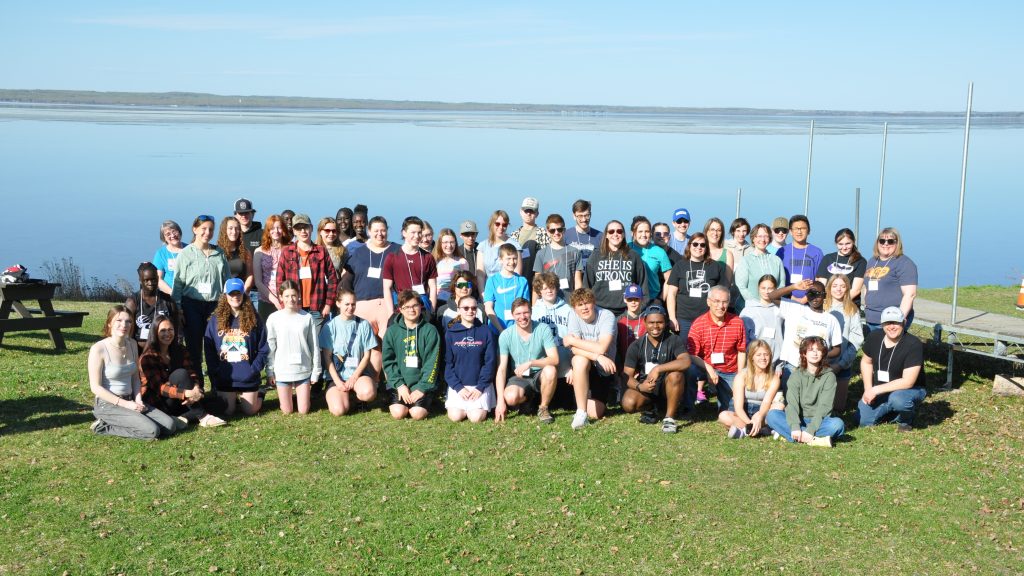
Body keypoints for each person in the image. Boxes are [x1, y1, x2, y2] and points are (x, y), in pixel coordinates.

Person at [88, 305, 177, 439]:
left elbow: (135, 377)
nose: (124, 325)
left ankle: (137, 420)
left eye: (128, 321)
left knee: (170, 426)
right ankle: (102, 425)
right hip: (108, 404)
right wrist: (125, 404)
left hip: (130, 399)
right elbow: (95, 387)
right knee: (152, 431)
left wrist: (138, 399)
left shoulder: (132, 344)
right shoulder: (98, 349)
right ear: (109, 323)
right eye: (119, 320)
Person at [139, 316, 226, 428]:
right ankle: (203, 417)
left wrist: (196, 388)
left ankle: (181, 418)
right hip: (160, 402)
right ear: (155, 333)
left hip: (181, 400)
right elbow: (160, 388)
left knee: (221, 404)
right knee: (180, 374)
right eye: (163, 330)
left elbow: (191, 372)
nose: (167, 334)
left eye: (170, 329)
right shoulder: (148, 357)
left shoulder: (180, 349)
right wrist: (187, 393)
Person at [171, 214, 230, 376]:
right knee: (194, 348)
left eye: (211, 229)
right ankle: (197, 385)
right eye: (203, 228)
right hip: (191, 305)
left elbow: (227, 280)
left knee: (216, 346)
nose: (207, 233)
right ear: (195, 229)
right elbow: (178, 283)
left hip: (215, 306)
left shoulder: (219, 253)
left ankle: (218, 386)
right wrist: (178, 309)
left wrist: (227, 306)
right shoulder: (186, 253)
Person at [204, 278, 269, 416]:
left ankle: (260, 393)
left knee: (249, 410)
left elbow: (263, 348)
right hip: (226, 377)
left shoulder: (254, 318)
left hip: (248, 376)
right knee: (227, 411)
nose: (235, 297)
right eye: (231, 294)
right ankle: (233, 398)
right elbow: (209, 349)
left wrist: (254, 369)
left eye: (238, 293)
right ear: (225, 296)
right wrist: (216, 370)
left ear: (243, 294)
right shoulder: (215, 320)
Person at [855, 306, 927, 431]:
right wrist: (868, 389)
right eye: (888, 323)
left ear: (904, 322)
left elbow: (908, 381)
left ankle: (906, 419)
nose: (891, 327)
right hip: (881, 390)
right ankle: (895, 412)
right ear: (882, 324)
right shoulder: (874, 336)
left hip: (909, 389)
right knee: (862, 421)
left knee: (898, 400)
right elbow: (866, 362)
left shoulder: (913, 344)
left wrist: (875, 390)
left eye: (896, 322)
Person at [621, 305, 690, 433]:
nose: (655, 326)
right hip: (647, 387)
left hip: (668, 387)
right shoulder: (636, 345)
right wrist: (640, 387)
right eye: (651, 322)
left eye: (660, 322)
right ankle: (651, 408)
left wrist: (658, 369)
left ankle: (669, 418)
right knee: (628, 403)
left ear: (666, 322)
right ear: (645, 322)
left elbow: (686, 361)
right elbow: (626, 376)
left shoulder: (674, 340)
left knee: (676, 375)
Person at [765, 336, 845, 447]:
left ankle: (791, 435)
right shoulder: (796, 376)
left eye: (818, 350)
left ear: (823, 353)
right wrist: (795, 426)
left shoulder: (829, 376)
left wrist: (811, 429)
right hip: (798, 418)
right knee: (772, 415)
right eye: (811, 350)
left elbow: (825, 407)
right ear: (804, 354)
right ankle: (813, 440)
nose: (815, 353)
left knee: (838, 425)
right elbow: (792, 404)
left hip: (820, 421)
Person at [496, 298, 560, 424]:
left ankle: (543, 408)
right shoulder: (505, 335)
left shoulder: (543, 329)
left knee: (551, 370)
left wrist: (531, 363)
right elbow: (501, 369)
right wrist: (500, 401)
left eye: (525, 312)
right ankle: (529, 401)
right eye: (518, 314)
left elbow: (555, 359)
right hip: (519, 377)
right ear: (512, 315)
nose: (522, 317)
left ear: (531, 312)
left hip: (539, 374)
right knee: (510, 398)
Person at [685, 286, 747, 414]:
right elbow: (692, 355)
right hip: (704, 366)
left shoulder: (737, 322)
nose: (721, 306)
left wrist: (740, 375)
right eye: (717, 301)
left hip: (729, 370)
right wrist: (708, 369)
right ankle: (688, 408)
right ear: (708, 302)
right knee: (690, 370)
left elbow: (741, 351)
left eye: (724, 302)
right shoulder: (698, 324)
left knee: (730, 411)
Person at [563, 288, 618, 428]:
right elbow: (574, 350)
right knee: (578, 360)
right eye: (580, 305)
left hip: (603, 370)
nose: (584, 308)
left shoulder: (607, 316)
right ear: (574, 308)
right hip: (588, 364)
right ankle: (581, 413)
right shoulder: (573, 315)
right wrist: (597, 356)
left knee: (595, 412)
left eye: (587, 303)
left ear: (594, 303)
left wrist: (573, 340)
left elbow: (602, 347)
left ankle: (581, 401)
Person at [768, 280, 842, 383]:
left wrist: (820, 354)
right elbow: (772, 296)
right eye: (811, 294)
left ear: (824, 295)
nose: (814, 298)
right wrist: (794, 286)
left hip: (817, 370)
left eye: (818, 294)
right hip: (792, 367)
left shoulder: (831, 320)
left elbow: (837, 350)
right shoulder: (795, 308)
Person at [382, 290, 441, 420]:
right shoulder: (392, 331)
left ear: (421, 306)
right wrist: (400, 385)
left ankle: (426, 399)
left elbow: (432, 362)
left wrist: (422, 388)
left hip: (421, 383)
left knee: (417, 414)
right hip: (400, 384)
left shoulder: (430, 330)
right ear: (400, 309)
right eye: (407, 307)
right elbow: (388, 362)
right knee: (398, 413)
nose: (411, 310)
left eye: (415, 305)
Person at [320, 289, 379, 416]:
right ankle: (344, 396)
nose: (350, 307)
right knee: (339, 410)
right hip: (337, 376)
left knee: (368, 393)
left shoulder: (364, 324)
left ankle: (358, 397)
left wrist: (354, 377)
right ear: (338, 303)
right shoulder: (330, 326)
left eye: (353, 304)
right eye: (347, 304)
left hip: (358, 374)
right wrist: (337, 382)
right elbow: (327, 358)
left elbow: (367, 356)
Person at [265, 280, 321, 415]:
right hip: (282, 371)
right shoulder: (273, 318)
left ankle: (301, 396)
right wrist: (270, 371)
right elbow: (270, 347)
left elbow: (314, 346)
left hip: (303, 370)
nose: (291, 299)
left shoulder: (307, 318)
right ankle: (288, 397)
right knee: (287, 410)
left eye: (294, 295)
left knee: (304, 410)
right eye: (287, 296)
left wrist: (315, 371)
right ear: (281, 297)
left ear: (299, 296)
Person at [276, 213, 339, 326]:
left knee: (316, 338)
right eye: (299, 228)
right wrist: (283, 304)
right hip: (293, 307)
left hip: (317, 309)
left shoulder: (321, 251)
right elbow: (279, 282)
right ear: (294, 231)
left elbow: (333, 279)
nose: (303, 231)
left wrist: (328, 304)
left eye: (305, 227)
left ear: (311, 228)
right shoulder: (286, 252)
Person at [444, 295, 498, 423]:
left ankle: (477, 405)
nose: (470, 311)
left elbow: (490, 363)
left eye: (474, 308)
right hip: (459, 386)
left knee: (476, 418)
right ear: (459, 310)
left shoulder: (486, 331)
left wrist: (480, 387)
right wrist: (458, 387)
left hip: (480, 385)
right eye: (466, 308)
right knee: (455, 416)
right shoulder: (450, 333)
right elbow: (448, 364)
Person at [716, 339, 781, 439]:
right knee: (723, 416)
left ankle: (743, 431)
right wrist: (750, 423)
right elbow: (738, 408)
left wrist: (759, 417)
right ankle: (760, 430)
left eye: (766, 354)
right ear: (752, 357)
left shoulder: (774, 378)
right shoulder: (741, 375)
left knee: (779, 406)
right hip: (742, 412)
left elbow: (766, 402)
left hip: (761, 411)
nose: (763, 358)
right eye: (758, 355)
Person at [664, 232, 723, 340]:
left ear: (706, 247)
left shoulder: (715, 266)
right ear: (689, 245)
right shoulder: (679, 265)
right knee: (685, 349)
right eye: (695, 244)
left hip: (708, 318)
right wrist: (672, 318)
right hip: (684, 319)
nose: (698, 247)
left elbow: (721, 294)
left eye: (702, 245)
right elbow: (671, 294)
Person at [349, 215, 400, 338]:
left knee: (387, 343)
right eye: (376, 231)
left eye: (383, 230)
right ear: (369, 231)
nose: (379, 234)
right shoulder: (359, 252)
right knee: (364, 344)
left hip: (388, 305)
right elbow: (347, 276)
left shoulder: (398, 250)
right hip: (362, 304)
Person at [583, 220, 647, 317]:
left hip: (627, 312)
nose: (615, 234)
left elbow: (643, 286)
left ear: (623, 234)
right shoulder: (595, 256)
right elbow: (586, 287)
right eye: (611, 231)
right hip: (600, 311)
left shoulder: (633, 256)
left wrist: (638, 310)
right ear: (606, 235)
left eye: (619, 231)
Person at [863, 227, 918, 332]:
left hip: (891, 320)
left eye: (890, 241)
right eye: (882, 241)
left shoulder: (904, 263)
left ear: (897, 243)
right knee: (873, 343)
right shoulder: (872, 261)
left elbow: (910, 294)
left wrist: (898, 319)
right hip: (871, 318)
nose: (886, 244)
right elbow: (867, 285)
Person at [824, 274, 864, 412]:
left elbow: (856, 340)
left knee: (838, 408)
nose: (838, 289)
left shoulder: (852, 310)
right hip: (821, 362)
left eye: (842, 286)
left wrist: (840, 365)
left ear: (847, 288)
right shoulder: (822, 306)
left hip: (841, 363)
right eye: (835, 286)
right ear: (829, 288)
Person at [382, 216, 438, 317]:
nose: (417, 236)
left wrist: (432, 310)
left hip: (422, 307)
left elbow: (433, 286)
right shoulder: (392, 257)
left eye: (419, 232)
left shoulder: (428, 257)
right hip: (401, 307)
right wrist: (391, 313)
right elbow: (387, 287)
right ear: (404, 233)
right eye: (413, 232)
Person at [125, 262, 181, 352]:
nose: (150, 283)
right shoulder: (132, 302)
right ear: (140, 280)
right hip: (138, 351)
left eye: (154, 279)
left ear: (158, 278)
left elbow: (176, 330)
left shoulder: (168, 301)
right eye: (146, 280)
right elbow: (128, 333)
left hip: (163, 351)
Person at [531, 272, 573, 379]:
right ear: (539, 291)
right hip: (544, 358)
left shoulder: (568, 310)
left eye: (552, 287)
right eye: (545, 288)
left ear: (557, 289)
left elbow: (574, 337)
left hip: (565, 358)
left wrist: (573, 366)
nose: (549, 291)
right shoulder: (533, 311)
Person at [734, 223, 785, 312]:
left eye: (766, 236)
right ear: (753, 238)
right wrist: (758, 305)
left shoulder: (777, 260)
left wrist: (771, 302)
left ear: (769, 238)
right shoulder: (745, 261)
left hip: (772, 309)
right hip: (749, 310)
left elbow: (782, 284)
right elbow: (741, 286)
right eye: (759, 236)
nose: (762, 239)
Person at [774, 214, 822, 304]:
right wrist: (792, 298)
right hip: (785, 301)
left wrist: (805, 299)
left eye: (803, 228)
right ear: (790, 231)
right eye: (796, 228)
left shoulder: (816, 252)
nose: (799, 232)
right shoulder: (782, 251)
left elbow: (819, 281)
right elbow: (776, 278)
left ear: (809, 231)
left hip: (809, 302)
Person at [483, 243, 530, 334]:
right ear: (500, 260)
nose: (512, 262)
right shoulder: (492, 280)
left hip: (517, 331)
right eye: (508, 258)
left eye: (515, 258)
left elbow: (526, 307)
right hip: (496, 330)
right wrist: (501, 330)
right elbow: (488, 308)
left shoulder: (522, 281)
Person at [252, 214, 291, 321]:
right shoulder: (259, 251)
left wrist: (284, 298)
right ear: (268, 231)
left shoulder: (291, 249)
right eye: (272, 228)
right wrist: (274, 300)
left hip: (287, 300)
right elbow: (258, 281)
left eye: (279, 227)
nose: (276, 231)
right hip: (266, 300)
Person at [533, 214, 583, 294]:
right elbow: (537, 285)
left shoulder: (575, 252)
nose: (556, 233)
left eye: (559, 229)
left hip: (569, 299)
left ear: (564, 230)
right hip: (548, 299)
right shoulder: (541, 254)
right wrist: (535, 302)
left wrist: (578, 299)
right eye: (552, 230)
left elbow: (578, 283)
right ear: (547, 232)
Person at [739, 274, 783, 363]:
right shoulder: (748, 311)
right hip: (755, 361)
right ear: (758, 288)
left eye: (770, 288)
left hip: (776, 362)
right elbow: (743, 339)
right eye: (763, 288)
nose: (766, 291)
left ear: (775, 289)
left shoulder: (781, 309)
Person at [627, 216, 672, 302]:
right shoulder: (626, 249)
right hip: (629, 299)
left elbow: (669, 279)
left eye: (647, 231)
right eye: (640, 231)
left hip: (652, 299)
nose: (644, 235)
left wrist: (660, 299)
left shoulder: (659, 251)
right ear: (633, 233)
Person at [817, 228, 866, 303]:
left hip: (849, 304)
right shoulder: (827, 258)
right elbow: (822, 285)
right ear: (836, 244)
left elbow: (856, 290)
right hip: (828, 303)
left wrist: (839, 304)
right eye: (840, 244)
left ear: (853, 242)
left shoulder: (860, 261)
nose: (844, 247)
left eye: (848, 243)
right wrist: (829, 302)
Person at [510, 197, 550, 285]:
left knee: (530, 245)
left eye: (532, 211)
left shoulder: (544, 233)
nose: (528, 214)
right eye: (526, 211)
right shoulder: (513, 235)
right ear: (521, 212)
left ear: (537, 214)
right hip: (517, 273)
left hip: (538, 273)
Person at [476, 210, 520, 289]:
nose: (501, 227)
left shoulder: (515, 245)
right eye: (497, 224)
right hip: (489, 289)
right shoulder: (483, 246)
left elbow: (517, 273)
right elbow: (480, 275)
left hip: (508, 288)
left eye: (504, 225)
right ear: (492, 224)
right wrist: (482, 294)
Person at [433, 227, 469, 312]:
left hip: (454, 303)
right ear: (440, 243)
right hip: (437, 302)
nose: (449, 246)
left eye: (452, 242)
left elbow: (465, 285)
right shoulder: (434, 261)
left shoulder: (462, 262)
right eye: (445, 242)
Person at [218, 216, 253, 291]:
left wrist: (243, 292)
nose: (234, 232)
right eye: (230, 228)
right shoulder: (217, 252)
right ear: (224, 230)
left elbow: (250, 275)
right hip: (221, 295)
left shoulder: (246, 252)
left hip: (240, 293)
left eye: (237, 228)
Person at [564, 199, 602, 269]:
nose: (584, 219)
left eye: (587, 215)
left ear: (591, 214)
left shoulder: (600, 236)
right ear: (574, 216)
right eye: (580, 216)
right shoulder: (565, 236)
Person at [153, 220, 187, 296]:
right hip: (169, 296)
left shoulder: (190, 249)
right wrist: (172, 293)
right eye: (168, 234)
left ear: (179, 232)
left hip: (189, 295)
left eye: (174, 231)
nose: (172, 235)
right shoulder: (161, 254)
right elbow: (158, 279)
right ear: (164, 238)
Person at [316, 216, 348, 284]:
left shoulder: (342, 251)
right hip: (318, 287)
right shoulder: (314, 250)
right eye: (327, 231)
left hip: (335, 286)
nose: (331, 234)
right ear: (320, 232)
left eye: (334, 231)